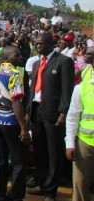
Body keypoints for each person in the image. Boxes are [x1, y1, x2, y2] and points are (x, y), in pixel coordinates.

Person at [27, 31, 75, 201]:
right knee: (39, 150)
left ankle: (51, 191)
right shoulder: (36, 63)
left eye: (41, 43)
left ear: (50, 43)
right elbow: (33, 89)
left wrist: (63, 112)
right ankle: (42, 182)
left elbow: (66, 90)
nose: (38, 45)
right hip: (36, 111)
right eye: (36, 43)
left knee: (53, 151)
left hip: (53, 113)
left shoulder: (64, 62)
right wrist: (28, 110)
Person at [0, 46, 31, 201]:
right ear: (6, 58)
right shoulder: (15, 74)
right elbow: (16, 102)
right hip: (12, 121)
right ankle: (16, 196)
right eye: (16, 55)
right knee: (19, 161)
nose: (20, 57)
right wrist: (24, 128)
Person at [65, 46, 94, 201]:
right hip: (84, 144)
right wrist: (70, 143)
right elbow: (73, 116)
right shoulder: (81, 87)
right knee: (80, 187)